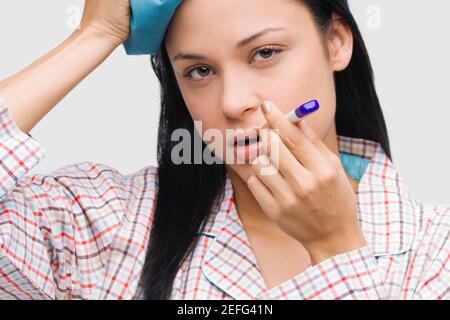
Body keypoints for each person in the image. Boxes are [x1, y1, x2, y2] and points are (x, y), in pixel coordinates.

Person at [0, 0, 448, 300]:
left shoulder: (437, 249)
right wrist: (93, 35)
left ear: (336, 42)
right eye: (199, 71)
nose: (233, 102)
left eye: (264, 53)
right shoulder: (109, 224)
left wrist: (335, 249)